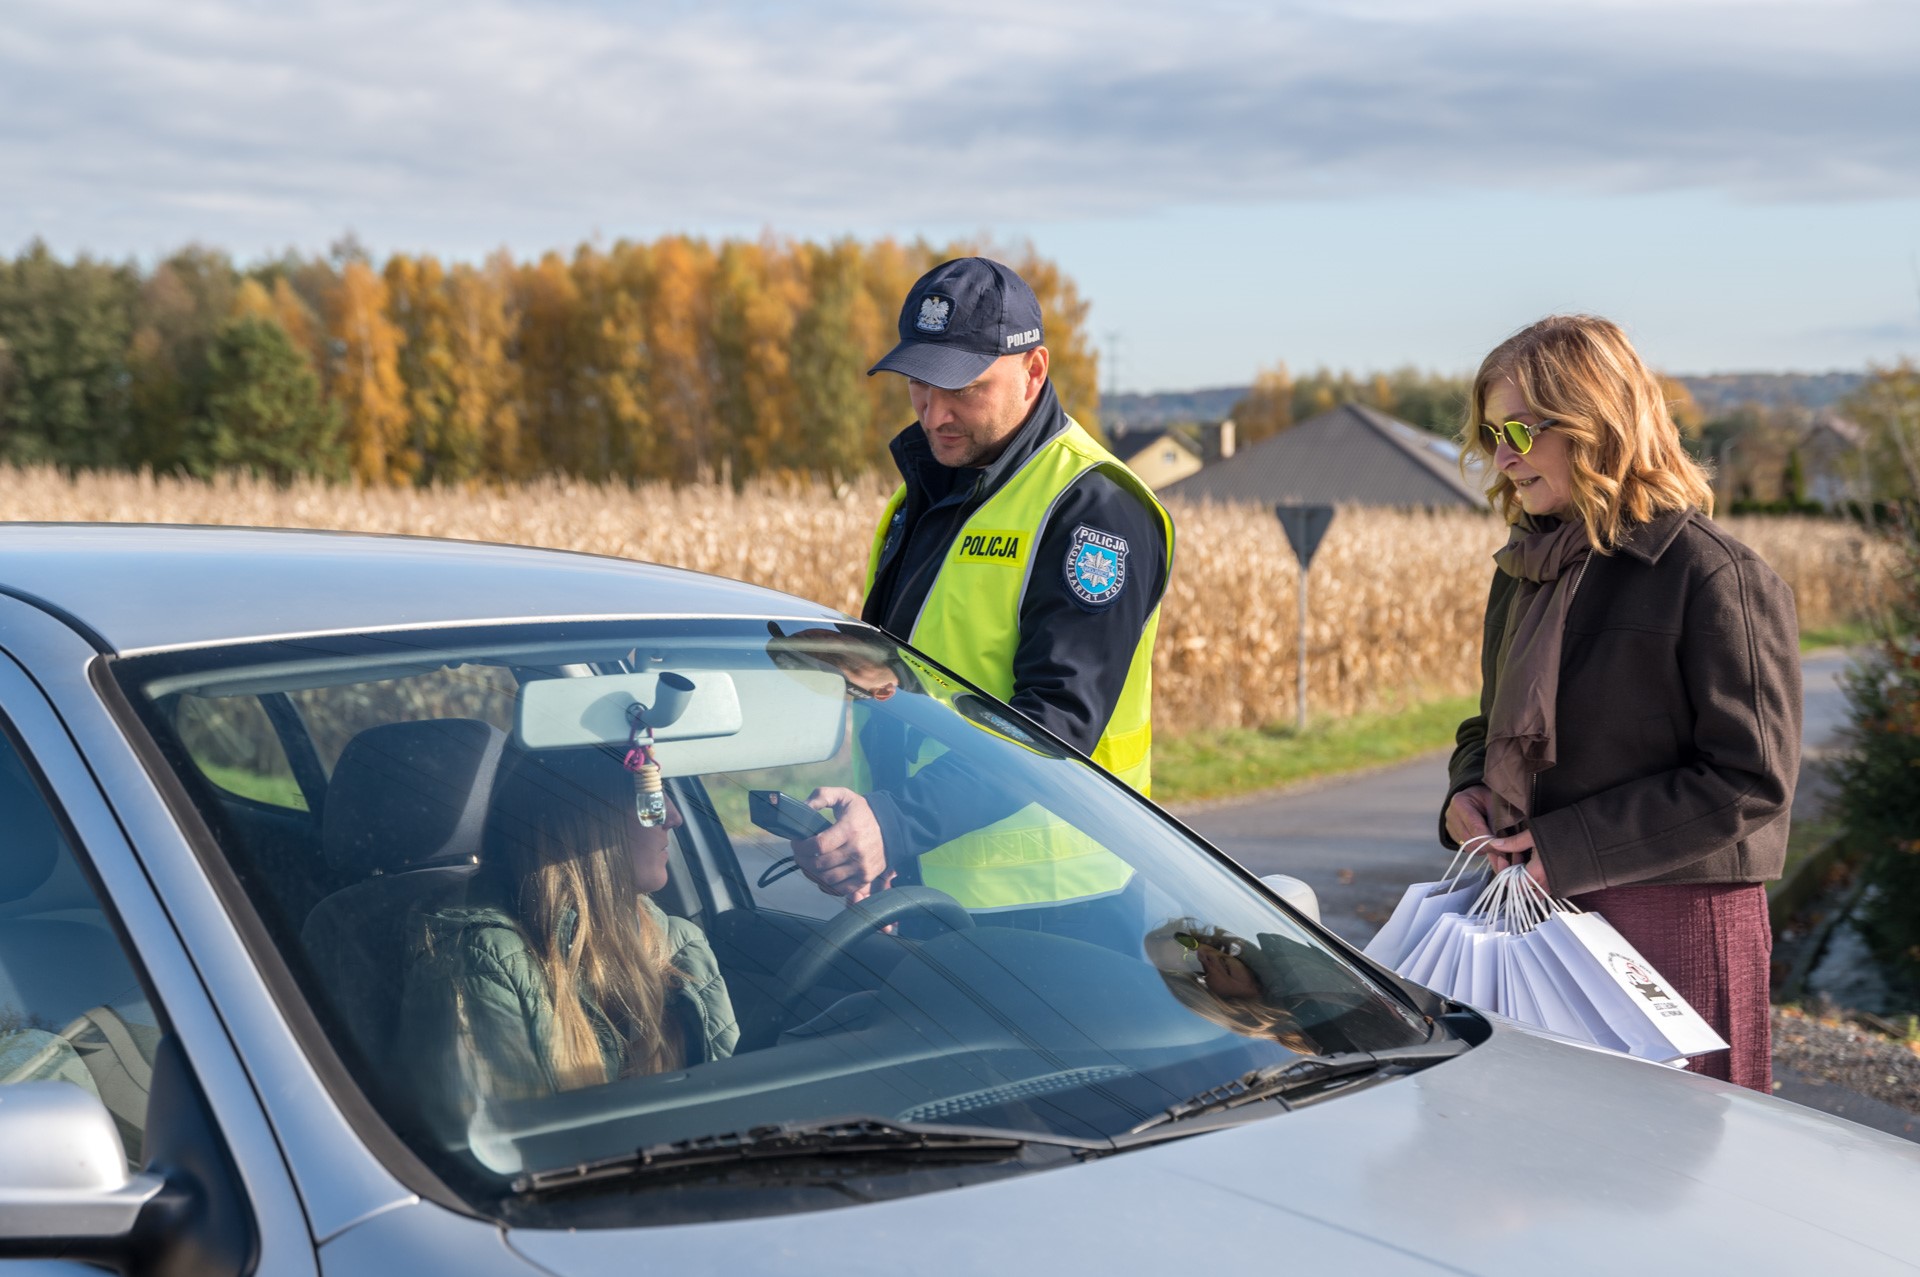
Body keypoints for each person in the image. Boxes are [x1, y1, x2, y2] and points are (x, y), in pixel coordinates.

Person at [1440, 314, 1799, 1093]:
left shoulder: (1712, 575)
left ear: (1595, 422)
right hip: (1538, 921)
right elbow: (1488, 721)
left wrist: (1568, 845)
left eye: (1521, 429)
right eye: (1489, 431)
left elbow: (1750, 779)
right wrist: (1465, 790)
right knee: (1546, 1163)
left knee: (1680, 1179)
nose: (1501, 455)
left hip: (1675, 928)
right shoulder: (1523, 568)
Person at [787, 257, 1175, 939]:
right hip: (929, 881)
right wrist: (882, 839)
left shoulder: (1093, 510)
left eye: (962, 387)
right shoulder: (925, 496)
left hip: (1057, 909)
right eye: (918, 384)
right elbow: (895, 684)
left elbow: (1054, 721)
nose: (935, 413)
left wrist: (896, 822)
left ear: (1034, 372)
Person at [403, 748, 737, 1111]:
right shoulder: (480, 960)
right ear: (583, 820)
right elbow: (510, 1150)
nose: (673, 816)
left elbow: (736, 1104)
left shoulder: (680, 942)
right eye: (648, 794)